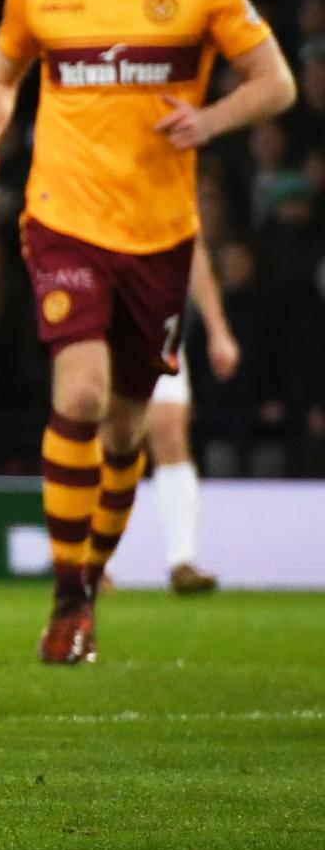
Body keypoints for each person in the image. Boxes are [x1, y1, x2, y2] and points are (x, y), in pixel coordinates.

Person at [0, 0, 295, 665]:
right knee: (78, 395)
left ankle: (91, 581)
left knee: (123, 434)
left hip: (161, 238)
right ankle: (68, 596)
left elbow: (276, 82)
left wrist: (209, 121)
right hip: (63, 219)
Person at [143, 235, 240, 594]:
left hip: (158, 324)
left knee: (169, 430)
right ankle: (94, 562)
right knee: (110, 434)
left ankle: (182, 560)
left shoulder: (172, 186)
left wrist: (218, 329)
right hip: (104, 317)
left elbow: (192, 252)